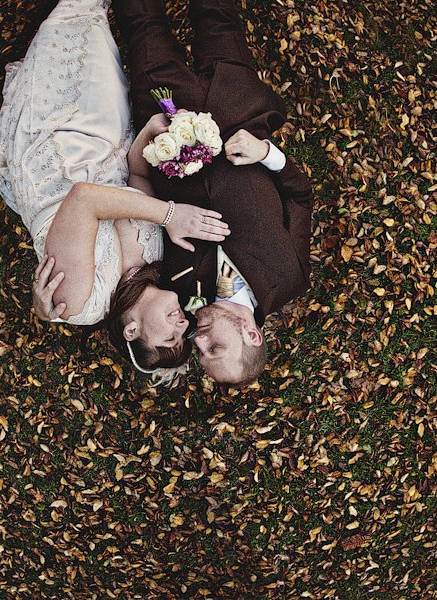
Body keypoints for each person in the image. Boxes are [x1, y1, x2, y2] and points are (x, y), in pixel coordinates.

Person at [0, 0, 231, 373]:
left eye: (170, 337)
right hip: (109, 136)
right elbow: (138, 179)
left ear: (131, 331)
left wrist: (170, 215)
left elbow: (83, 201)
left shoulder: (81, 303)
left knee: (66, 29)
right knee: (93, 27)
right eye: (185, 334)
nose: (184, 325)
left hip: (61, 151)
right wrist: (147, 140)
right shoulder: (155, 263)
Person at [106, 0, 314, 386]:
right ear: (251, 335)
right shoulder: (290, 278)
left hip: (166, 121)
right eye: (213, 348)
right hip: (239, 104)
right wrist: (265, 153)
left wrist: (166, 221)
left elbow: (125, 286)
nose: (197, 340)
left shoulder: (174, 297)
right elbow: (300, 198)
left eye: (199, 353)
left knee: (142, 26)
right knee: (218, 15)